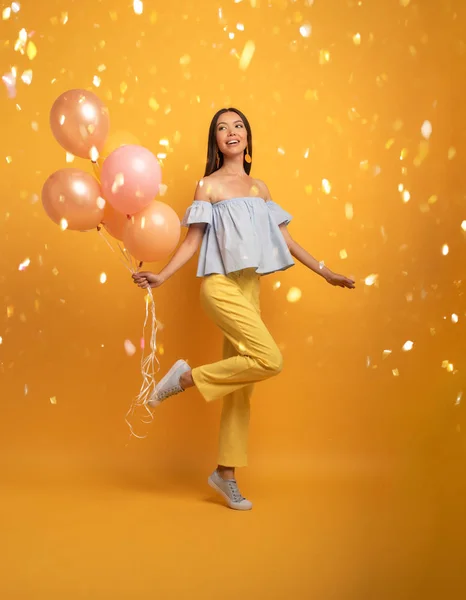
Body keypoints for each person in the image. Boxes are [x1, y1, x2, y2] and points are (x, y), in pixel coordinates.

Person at [132, 108, 355, 511]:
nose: (230, 132)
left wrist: (327, 273)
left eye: (237, 126)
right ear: (215, 141)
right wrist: (162, 277)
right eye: (222, 128)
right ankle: (183, 379)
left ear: (248, 139)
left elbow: (288, 241)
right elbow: (191, 242)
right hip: (219, 286)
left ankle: (225, 474)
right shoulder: (208, 187)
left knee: (240, 390)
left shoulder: (260, 189)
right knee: (269, 359)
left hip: (250, 287)